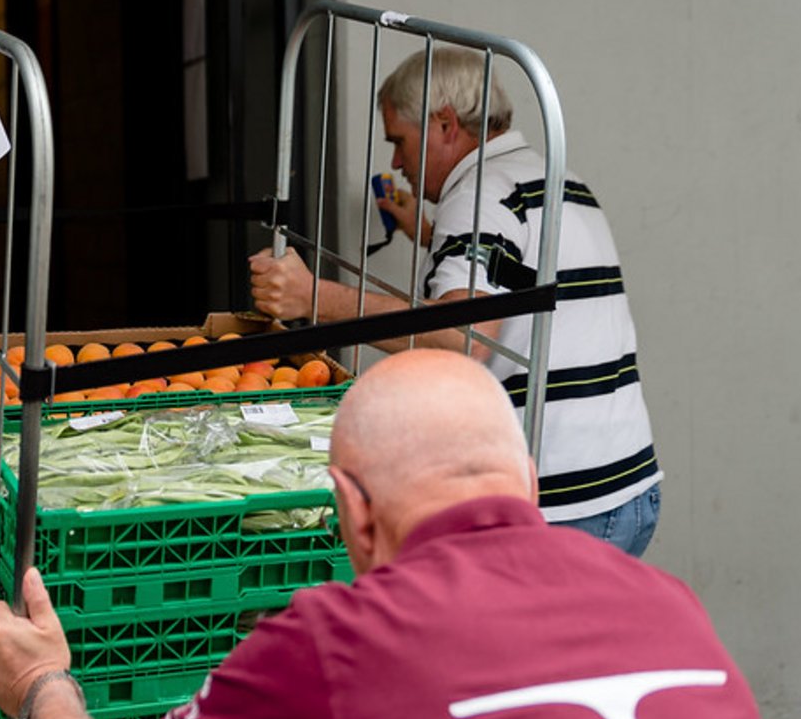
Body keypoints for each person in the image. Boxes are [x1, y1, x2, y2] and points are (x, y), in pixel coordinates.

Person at [0, 349, 781, 719]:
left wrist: (41, 681)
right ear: (528, 483)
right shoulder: (670, 602)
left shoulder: (338, 642)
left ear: (351, 511)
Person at [248, 47, 661, 556]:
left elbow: (463, 339)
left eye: (399, 140)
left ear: (445, 123)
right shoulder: (554, 179)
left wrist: (315, 298)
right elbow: (514, 276)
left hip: (560, 505)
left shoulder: (480, 194)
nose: (396, 162)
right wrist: (427, 233)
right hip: (628, 483)